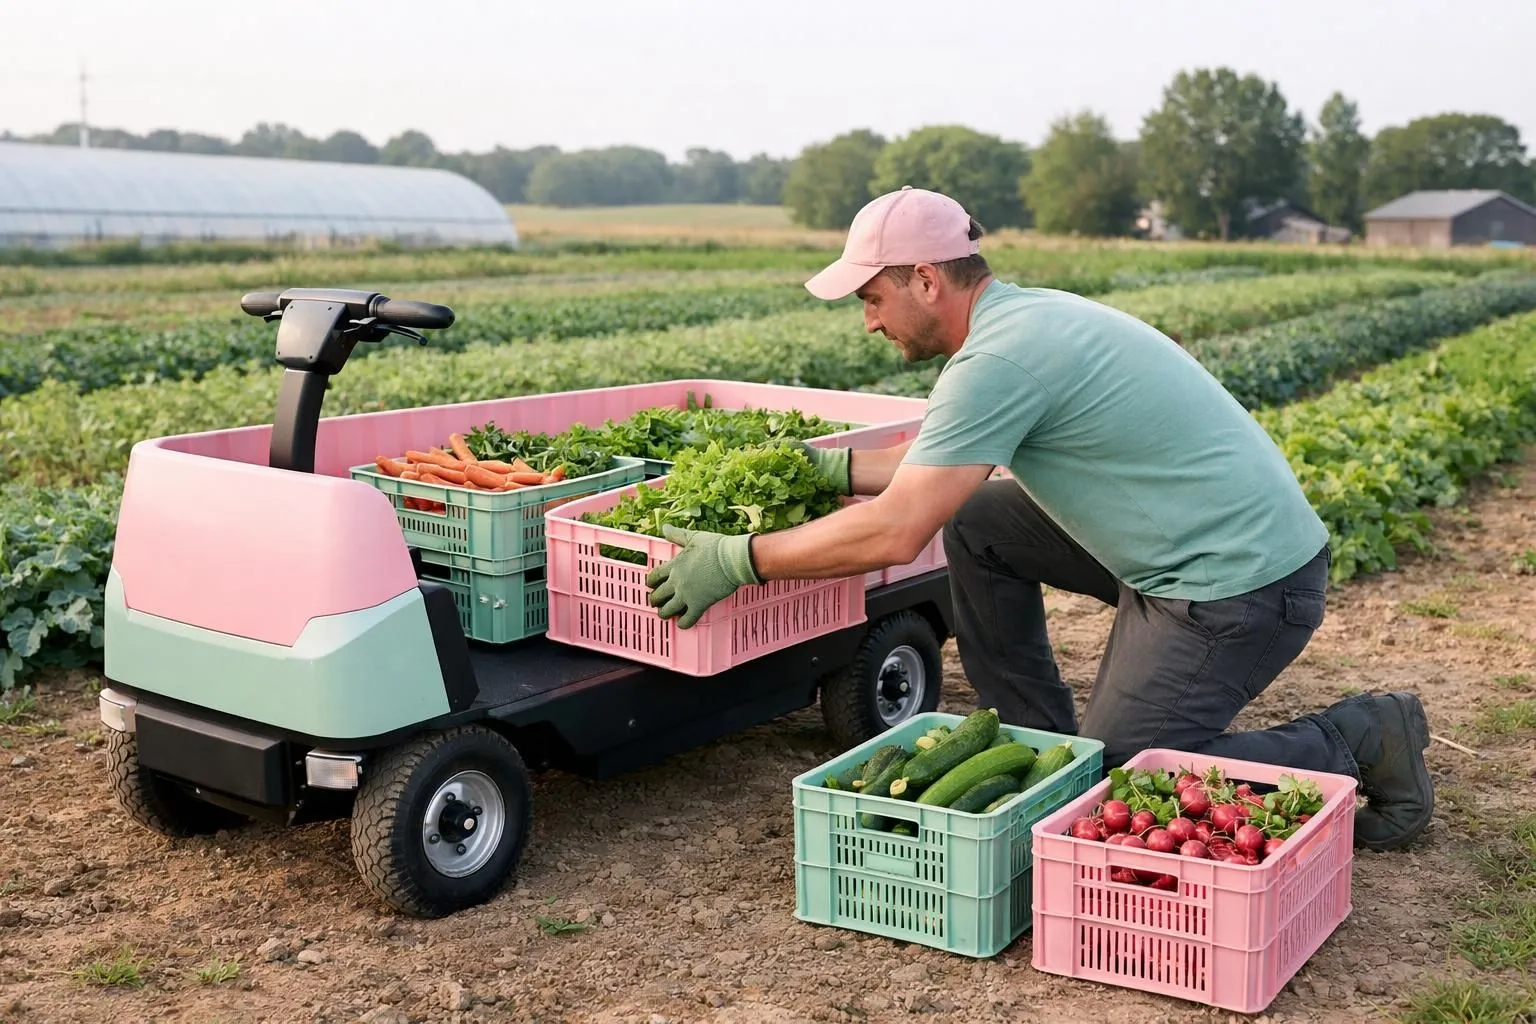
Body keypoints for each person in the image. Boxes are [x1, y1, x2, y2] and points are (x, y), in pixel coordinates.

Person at [643, 185, 1434, 852]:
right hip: (1188, 548)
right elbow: (937, 465)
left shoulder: (996, 359)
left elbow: (896, 530)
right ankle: (1036, 742)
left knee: (1129, 772)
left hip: (1243, 587)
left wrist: (738, 559)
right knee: (981, 519)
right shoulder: (1021, 321)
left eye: (872, 298)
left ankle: (1360, 736)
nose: (869, 323)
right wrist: (829, 466)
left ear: (925, 280)